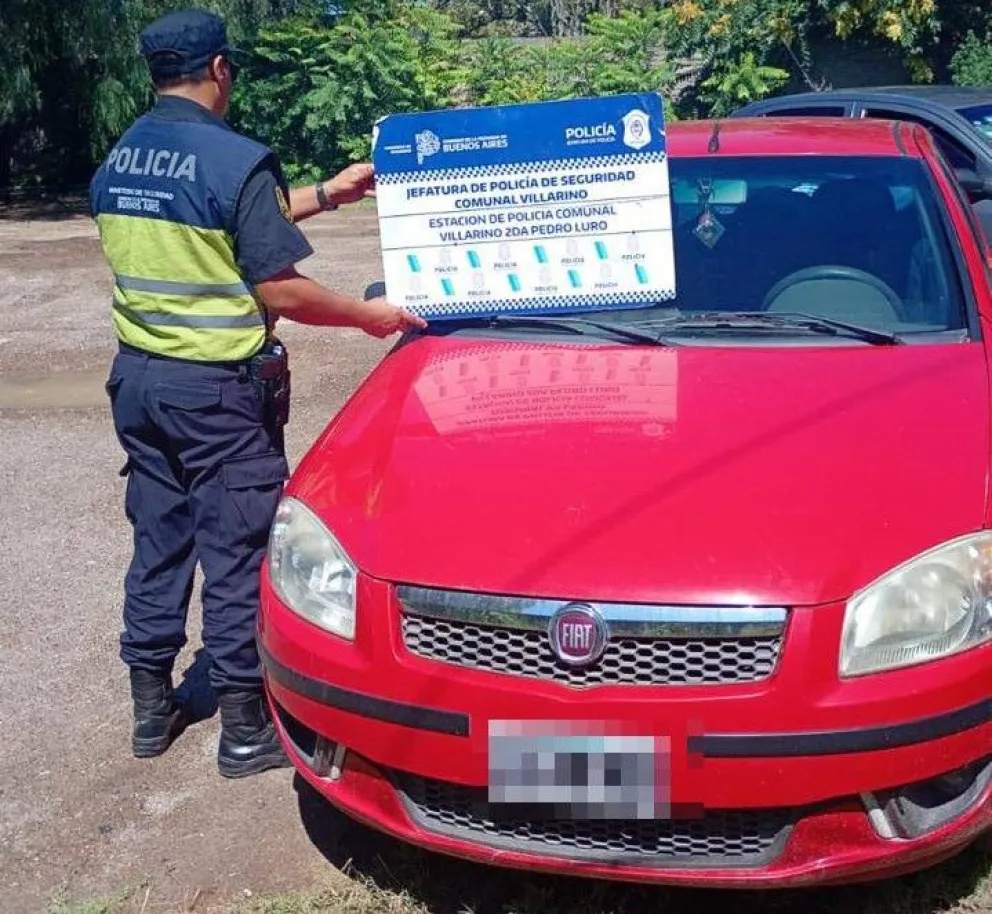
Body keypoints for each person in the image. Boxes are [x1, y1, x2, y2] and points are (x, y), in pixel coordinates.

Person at [88, 7, 426, 779]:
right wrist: (369, 316)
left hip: (140, 383)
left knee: (160, 538)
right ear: (219, 71)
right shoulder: (236, 159)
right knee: (237, 547)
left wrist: (330, 193)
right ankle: (245, 730)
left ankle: (150, 706)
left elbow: (218, 223)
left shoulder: (122, 156)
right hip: (213, 392)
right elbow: (280, 286)